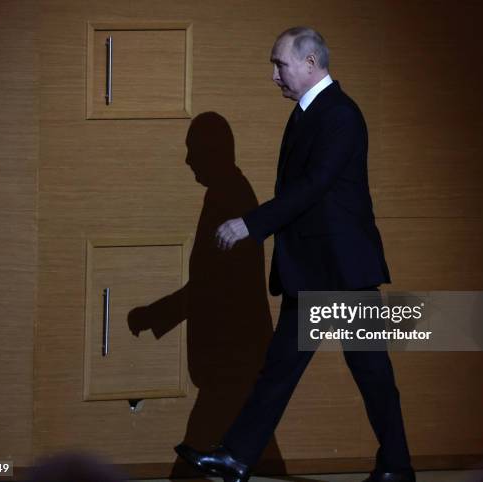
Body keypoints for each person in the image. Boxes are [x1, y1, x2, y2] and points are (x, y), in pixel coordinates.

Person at [175, 27, 415, 482]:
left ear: (310, 63)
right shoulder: (309, 113)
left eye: (279, 64)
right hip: (317, 270)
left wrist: (252, 223)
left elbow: (313, 187)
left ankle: (396, 468)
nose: (273, 75)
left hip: (341, 272)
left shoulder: (340, 115)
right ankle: (237, 458)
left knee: (369, 374)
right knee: (286, 369)